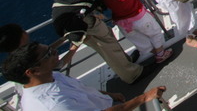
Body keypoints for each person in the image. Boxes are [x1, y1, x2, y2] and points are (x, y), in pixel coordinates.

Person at [51, 0, 144, 84]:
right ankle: (132, 74)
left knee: (108, 37)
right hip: (78, 17)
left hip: (66, 14)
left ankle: (127, 63)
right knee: (106, 44)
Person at [2, 41, 166, 111]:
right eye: (48, 54)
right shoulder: (52, 105)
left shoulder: (50, 75)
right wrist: (144, 98)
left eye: (50, 49)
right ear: (32, 71)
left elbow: (79, 89)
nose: (55, 52)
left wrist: (109, 95)